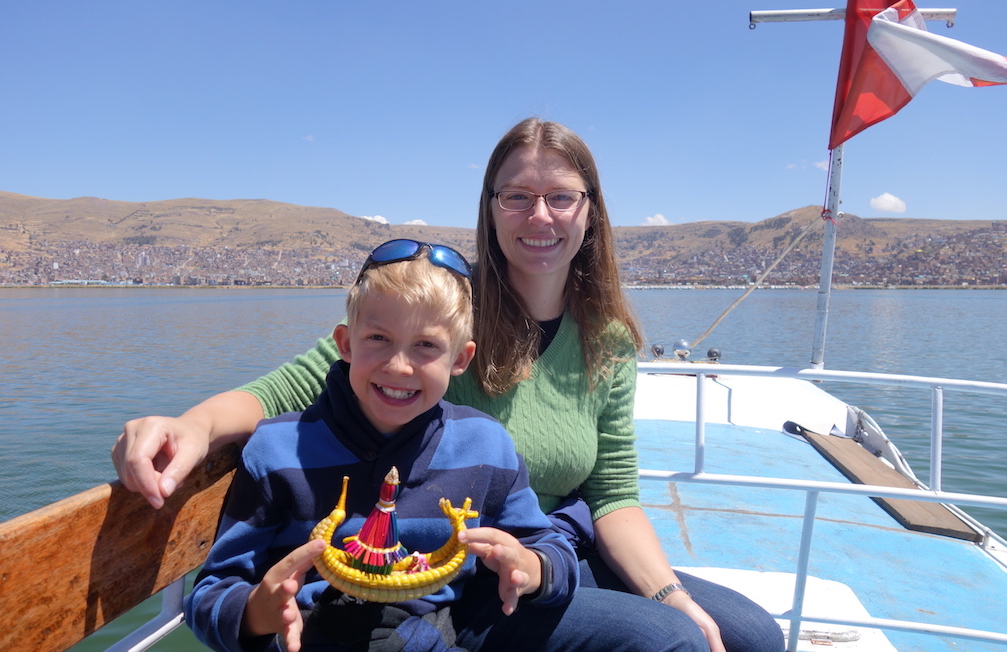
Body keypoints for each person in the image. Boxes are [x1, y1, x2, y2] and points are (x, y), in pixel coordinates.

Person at [115, 118, 785, 652]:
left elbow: (612, 494)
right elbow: (286, 391)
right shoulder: (436, 311)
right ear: (491, 208)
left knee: (752, 636)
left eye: (560, 197)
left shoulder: (605, 338)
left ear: (590, 211)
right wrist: (194, 426)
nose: (540, 215)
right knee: (669, 642)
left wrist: (670, 593)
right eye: (517, 196)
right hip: (461, 570)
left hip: (550, 551)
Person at [185, 242, 579, 652]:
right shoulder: (277, 451)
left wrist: (531, 568)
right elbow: (210, 593)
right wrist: (256, 613)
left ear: (460, 359)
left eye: (426, 346)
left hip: (443, 629)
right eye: (378, 338)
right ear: (345, 343)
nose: (398, 366)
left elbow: (549, 547)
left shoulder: (486, 444)